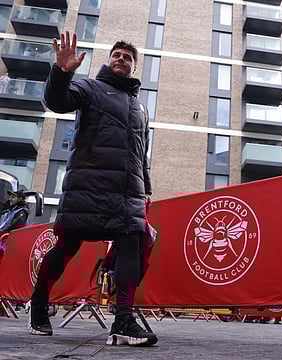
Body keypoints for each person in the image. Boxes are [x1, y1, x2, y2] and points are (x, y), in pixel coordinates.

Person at [28, 31, 157, 347]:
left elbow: (142, 153)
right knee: (66, 248)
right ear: (109, 60)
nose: (121, 60)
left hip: (127, 195)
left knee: (132, 244)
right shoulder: (89, 86)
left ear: (133, 67)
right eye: (117, 55)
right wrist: (61, 72)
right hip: (88, 187)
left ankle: (123, 320)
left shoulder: (140, 109)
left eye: (127, 58)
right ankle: (39, 303)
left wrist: (147, 190)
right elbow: (57, 101)